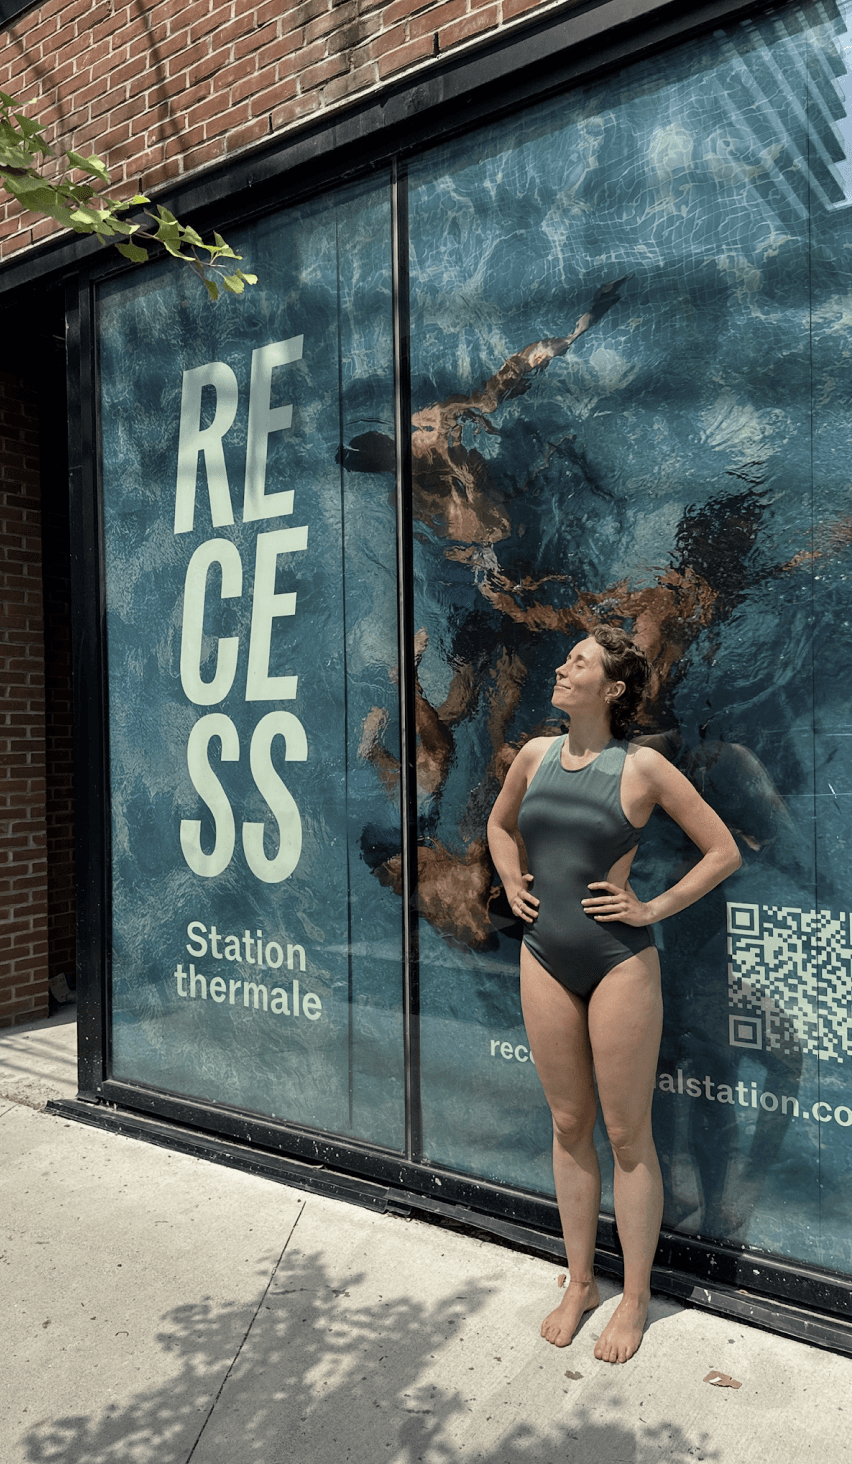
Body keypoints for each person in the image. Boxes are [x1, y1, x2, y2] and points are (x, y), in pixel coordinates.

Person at [486, 626, 741, 1364]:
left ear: (614, 689)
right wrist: (509, 880)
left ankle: (633, 1297)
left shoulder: (645, 767)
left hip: (619, 962)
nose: (563, 668)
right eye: (567, 659)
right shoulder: (534, 755)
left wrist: (651, 909)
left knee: (628, 1137)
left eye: (580, 662)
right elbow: (501, 829)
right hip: (543, 955)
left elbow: (721, 851)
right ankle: (579, 1282)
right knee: (569, 1123)